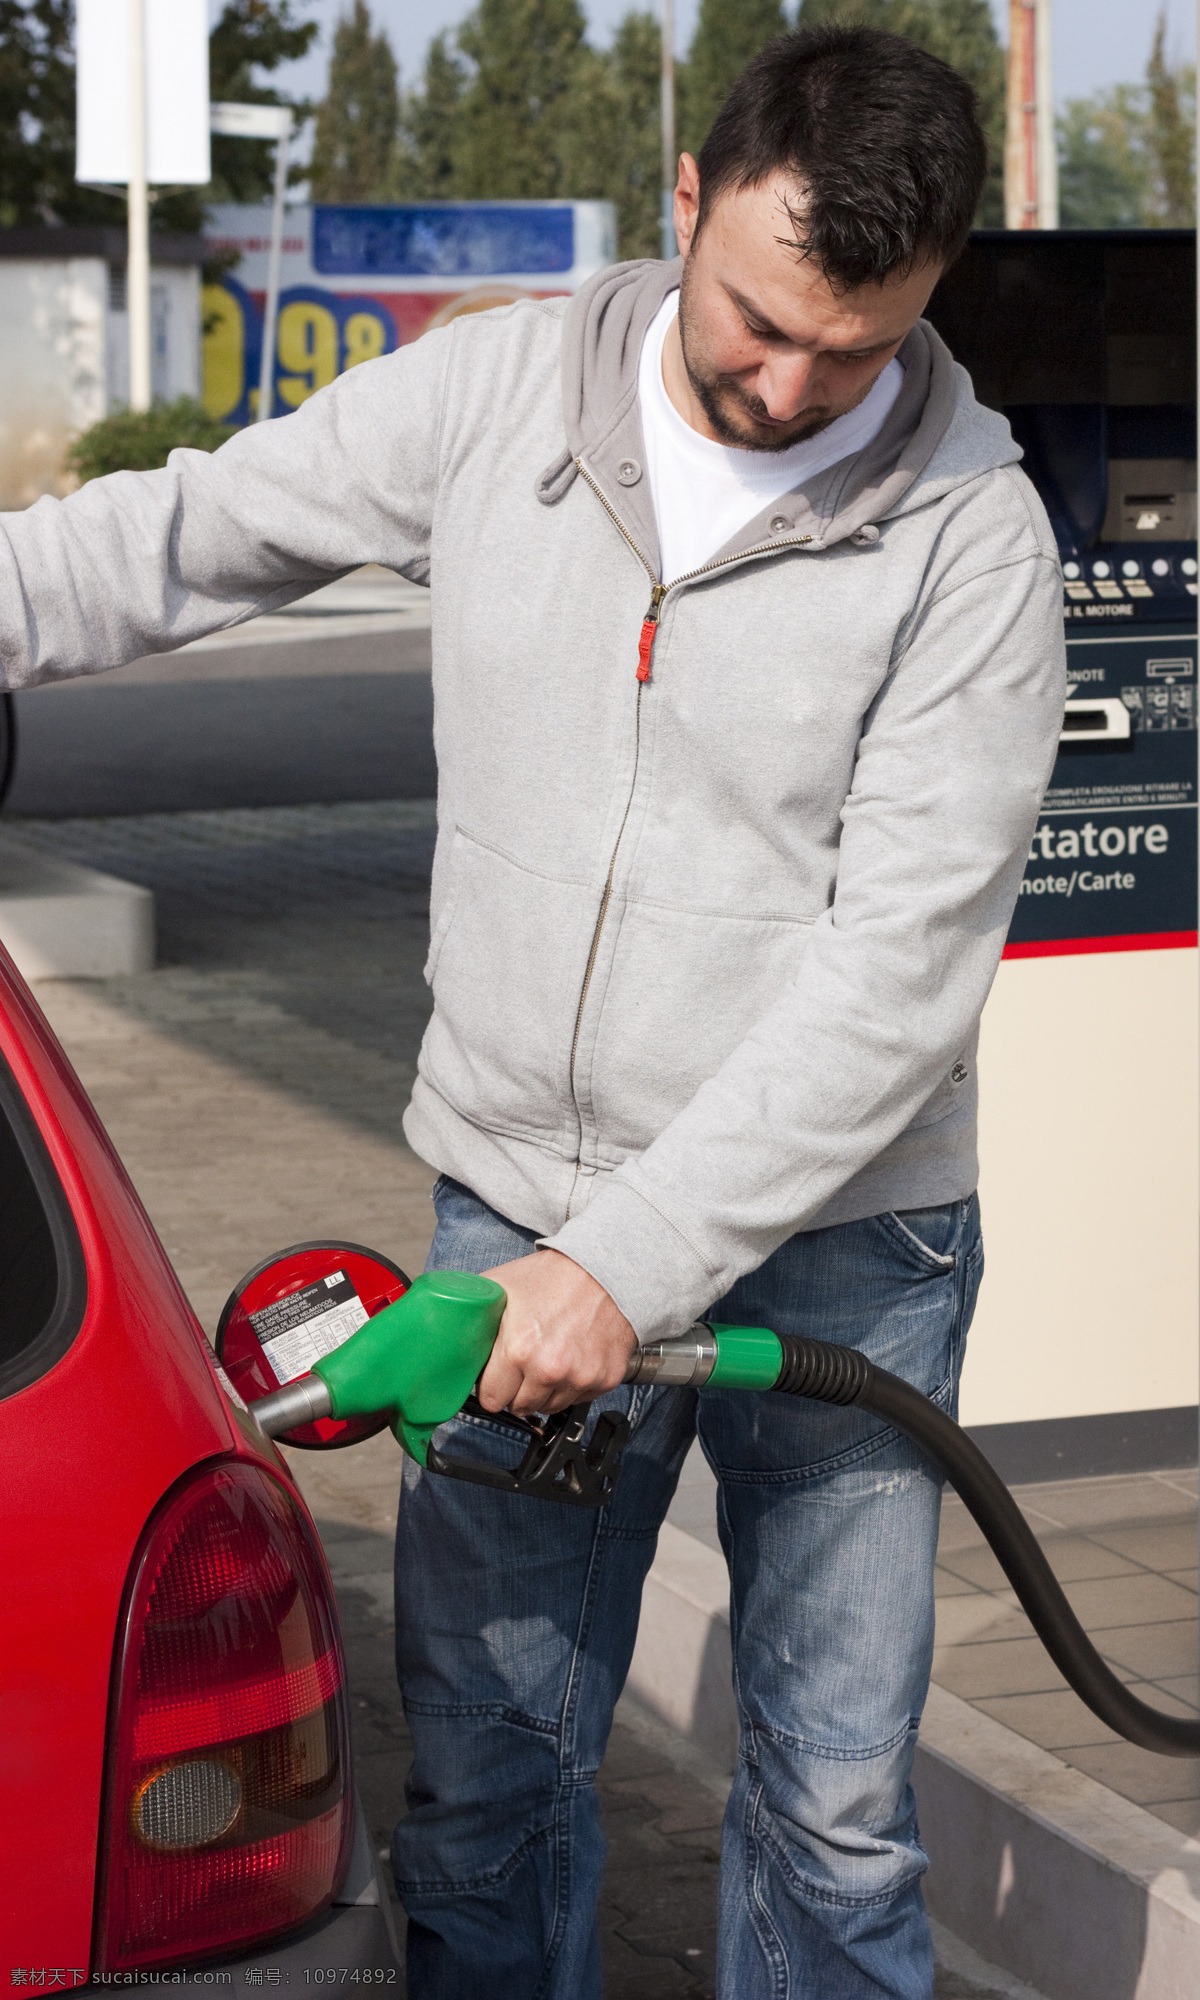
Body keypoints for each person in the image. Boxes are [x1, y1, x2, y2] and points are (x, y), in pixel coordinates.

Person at [0, 24, 1064, 1997]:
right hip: (516, 1207)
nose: (787, 384)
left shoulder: (972, 547)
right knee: (487, 1786)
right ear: (685, 205)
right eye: (757, 321)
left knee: (832, 1814)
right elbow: (177, 537)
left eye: (855, 349)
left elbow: (898, 977)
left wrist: (629, 1258)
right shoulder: (504, 393)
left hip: (845, 1253)